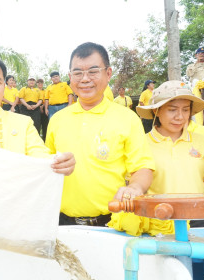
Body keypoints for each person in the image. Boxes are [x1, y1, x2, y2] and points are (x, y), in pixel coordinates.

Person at [45, 42, 155, 226]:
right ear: (70, 76)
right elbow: (46, 166)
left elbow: (143, 167)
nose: (85, 79)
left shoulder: (127, 118)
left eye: (93, 71)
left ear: (108, 73)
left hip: (113, 222)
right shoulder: (57, 119)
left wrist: (135, 187)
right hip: (62, 223)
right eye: (78, 73)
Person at [109, 81, 204, 235]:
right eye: (172, 110)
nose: (179, 116)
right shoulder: (141, 143)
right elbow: (135, 184)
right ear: (156, 111)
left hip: (199, 221)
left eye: (185, 110)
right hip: (160, 222)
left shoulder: (203, 141)